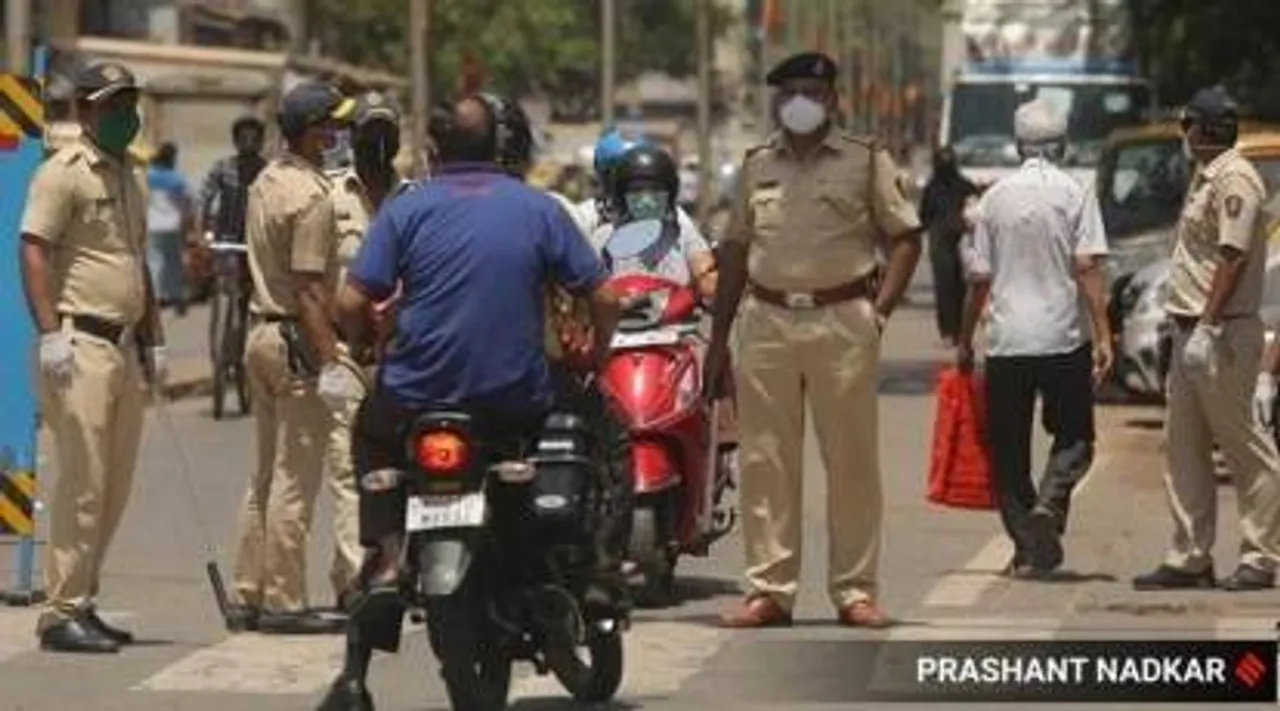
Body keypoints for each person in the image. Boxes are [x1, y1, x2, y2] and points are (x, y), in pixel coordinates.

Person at [316, 93, 622, 710]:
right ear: (502, 150)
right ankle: (596, 571)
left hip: (414, 396)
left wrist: (367, 346)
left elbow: (350, 304)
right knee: (603, 429)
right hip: (513, 398)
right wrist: (595, 355)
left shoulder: (406, 211)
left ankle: (389, 554)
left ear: (433, 152)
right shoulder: (537, 209)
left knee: (372, 435)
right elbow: (605, 297)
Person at [703, 51, 923, 629]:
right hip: (766, 320)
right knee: (764, 461)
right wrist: (717, 339)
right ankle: (770, 590)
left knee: (851, 463)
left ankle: (854, 591)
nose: (801, 101)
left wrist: (878, 313)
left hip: (842, 320)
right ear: (779, 101)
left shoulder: (864, 159)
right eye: (791, 92)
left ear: (831, 99)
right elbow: (733, 252)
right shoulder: (756, 165)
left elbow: (905, 237)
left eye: (812, 91)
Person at [19, 61, 164, 653]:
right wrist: (51, 333)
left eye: (130, 103)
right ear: (84, 111)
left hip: (124, 348)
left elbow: (135, 262)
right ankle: (61, 613)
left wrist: (154, 337)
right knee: (84, 482)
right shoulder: (62, 175)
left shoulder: (133, 176)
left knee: (115, 485)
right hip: (79, 342)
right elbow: (33, 251)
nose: (125, 115)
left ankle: (83, 597)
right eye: (112, 105)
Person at [954, 98, 1113, 579]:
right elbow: (1087, 267)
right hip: (1063, 336)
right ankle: (1051, 501)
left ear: (1017, 144)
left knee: (1008, 450)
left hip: (1006, 341)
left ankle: (1027, 546)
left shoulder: (994, 200)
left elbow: (979, 279)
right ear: (1062, 143)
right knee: (1076, 437)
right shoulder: (1074, 192)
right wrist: (1104, 334)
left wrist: (964, 340)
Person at [1134, 86, 1280, 592]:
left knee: (1244, 446)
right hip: (1190, 328)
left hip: (1219, 331)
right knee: (1184, 446)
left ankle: (1261, 556)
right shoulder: (1208, 175)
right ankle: (1190, 555)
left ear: (1206, 129)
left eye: (1187, 125)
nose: (1184, 134)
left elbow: (1232, 256)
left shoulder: (1235, 177)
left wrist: (1210, 324)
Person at [226, 81, 354, 634]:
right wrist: (329, 360)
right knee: (294, 479)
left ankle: (248, 590)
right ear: (310, 130)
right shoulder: (311, 196)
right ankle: (284, 600)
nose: (338, 134)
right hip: (295, 338)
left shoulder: (266, 179)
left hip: (260, 332)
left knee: (263, 474)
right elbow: (308, 288)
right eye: (331, 125)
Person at [321, 91, 414, 610]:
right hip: (348, 350)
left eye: (386, 132)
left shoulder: (417, 200)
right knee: (347, 467)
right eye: (368, 133)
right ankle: (356, 580)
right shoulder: (329, 197)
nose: (378, 143)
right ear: (351, 140)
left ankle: (405, 564)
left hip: (407, 356)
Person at [920, 146, 979, 345]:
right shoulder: (931, 188)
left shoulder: (964, 186)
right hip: (939, 241)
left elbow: (976, 208)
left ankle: (960, 330)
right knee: (944, 285)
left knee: (961, 285)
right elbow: (924, 215)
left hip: (961, 239)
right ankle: (947, 330)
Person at [146, 142, 194, 315]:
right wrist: (190, 225)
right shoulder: (177, 178)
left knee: (154, 261)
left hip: (153, 225)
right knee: (175, 262)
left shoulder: (149, 177)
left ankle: (156, 297)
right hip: (173, 225)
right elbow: (186, 203)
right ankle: (176, 296)